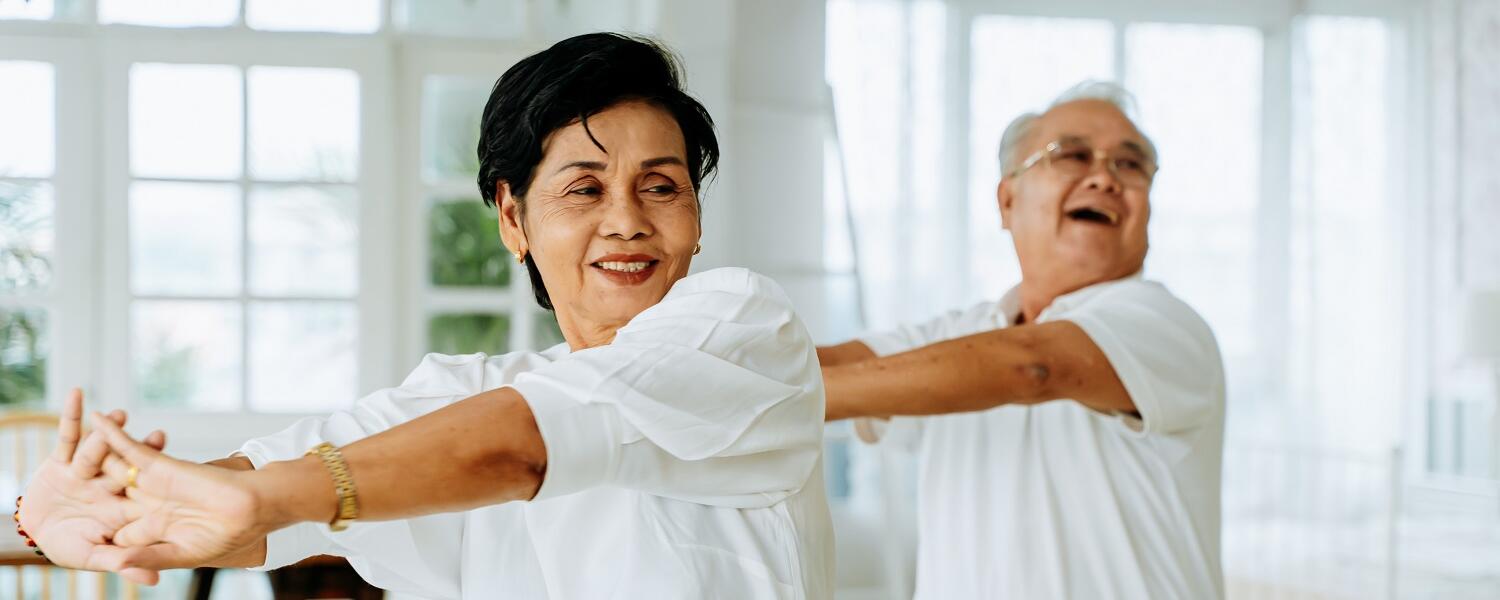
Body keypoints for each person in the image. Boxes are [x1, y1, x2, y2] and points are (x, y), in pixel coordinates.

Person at [18, 32, 834, 600]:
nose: (627, 220)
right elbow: (246, 499)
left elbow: (521, 446)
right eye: (584, 188)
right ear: (513, 219)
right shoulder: (466, 395)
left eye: (661, 186)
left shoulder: (743, 330)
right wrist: (63, 513)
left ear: (695, 213)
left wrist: (274, 498)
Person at [819, 82, 1226, 599]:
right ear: (1008, 198)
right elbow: (821, 363)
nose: (1104, 178)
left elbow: (1031, 367)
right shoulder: (959, 335)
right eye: (1074, 155)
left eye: (1131, 165)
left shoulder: (1162, 321)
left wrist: (797, 397)